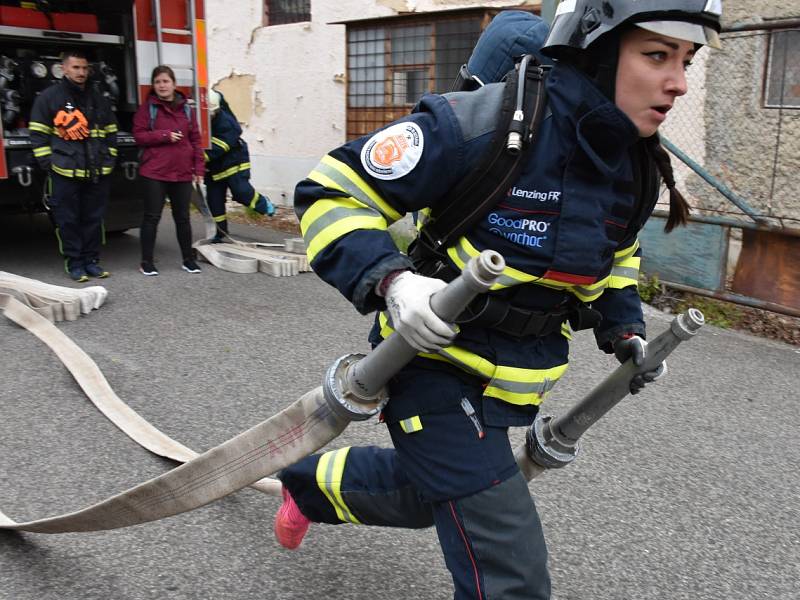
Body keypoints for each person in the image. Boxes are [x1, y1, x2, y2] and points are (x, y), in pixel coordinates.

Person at [275, 1, 722, 599]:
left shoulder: (627, 164)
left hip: (513, 381)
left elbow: (616, 254)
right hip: (431, 372)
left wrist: (626, 331)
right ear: (598, 49)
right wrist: (395, 282)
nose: (680, 82)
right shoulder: (477, 126)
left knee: (420, 498)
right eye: (657, 54)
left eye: (687, 59)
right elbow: (332, 190)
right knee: (510, 573)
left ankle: (304, 486)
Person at [29, 49, 118, 282]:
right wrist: (49, 163)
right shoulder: (49, 98)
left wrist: (111, 157)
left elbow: (111, 131)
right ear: (64, 69)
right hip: (64, 172)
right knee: (68, 220)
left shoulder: (99, 98)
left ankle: (91, 262)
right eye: (76, 67)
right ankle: (74, 263)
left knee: (93, 219)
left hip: (96, 171)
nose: (81, 72)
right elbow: (37, 134)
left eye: (84, 68)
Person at [133, 65, 204, 276]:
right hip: (154, 172)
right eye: (158, 82)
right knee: (152, 217)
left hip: (182, 172)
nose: (162, 85)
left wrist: (199, 169)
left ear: (174, 84)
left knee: (183, 217)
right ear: (153, 86)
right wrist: (164, 135)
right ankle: (146, 262)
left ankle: (188, 260)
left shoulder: (187, 109)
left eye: (166, 81)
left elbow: (196, 141)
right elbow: (139, 135)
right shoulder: (148, 109)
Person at [204, 89, 275, 242]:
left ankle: (264, 204)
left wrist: (198, 157)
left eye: (209, 113)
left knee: (241, 192)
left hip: (233, 163)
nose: (207, 117)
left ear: (216, 109)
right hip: (213, 169)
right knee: (214, 201)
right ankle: (220, 232)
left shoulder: (226, 122)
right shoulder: (201, 119)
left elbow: (219, 147)